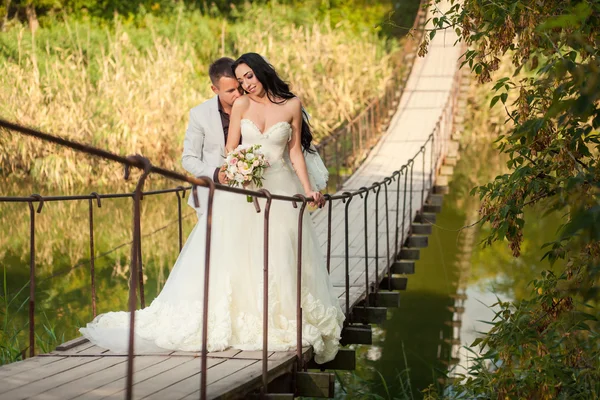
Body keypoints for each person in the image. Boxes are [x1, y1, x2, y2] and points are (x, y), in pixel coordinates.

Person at [79, 53, 344, 365]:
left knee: (281, 251)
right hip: (245, 188)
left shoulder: (292, 105)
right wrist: (239, 169)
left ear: (262, 71)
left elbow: (295, 152)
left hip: (282, 188)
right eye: (241, 80)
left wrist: (309, 189)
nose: (247, 84)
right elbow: (232, 151)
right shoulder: (241, 107)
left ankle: (280, 314)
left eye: (249, 76)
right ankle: (245, 315)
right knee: (237, 253)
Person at [181, 57, 242, 216]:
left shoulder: (252, 106)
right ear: (215, 89)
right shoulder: (199, 114)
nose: (238, 94)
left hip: (248, 197)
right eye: (230, 91)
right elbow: (188, 158)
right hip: (212, 198)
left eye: (239, 87)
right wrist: (215, 174)